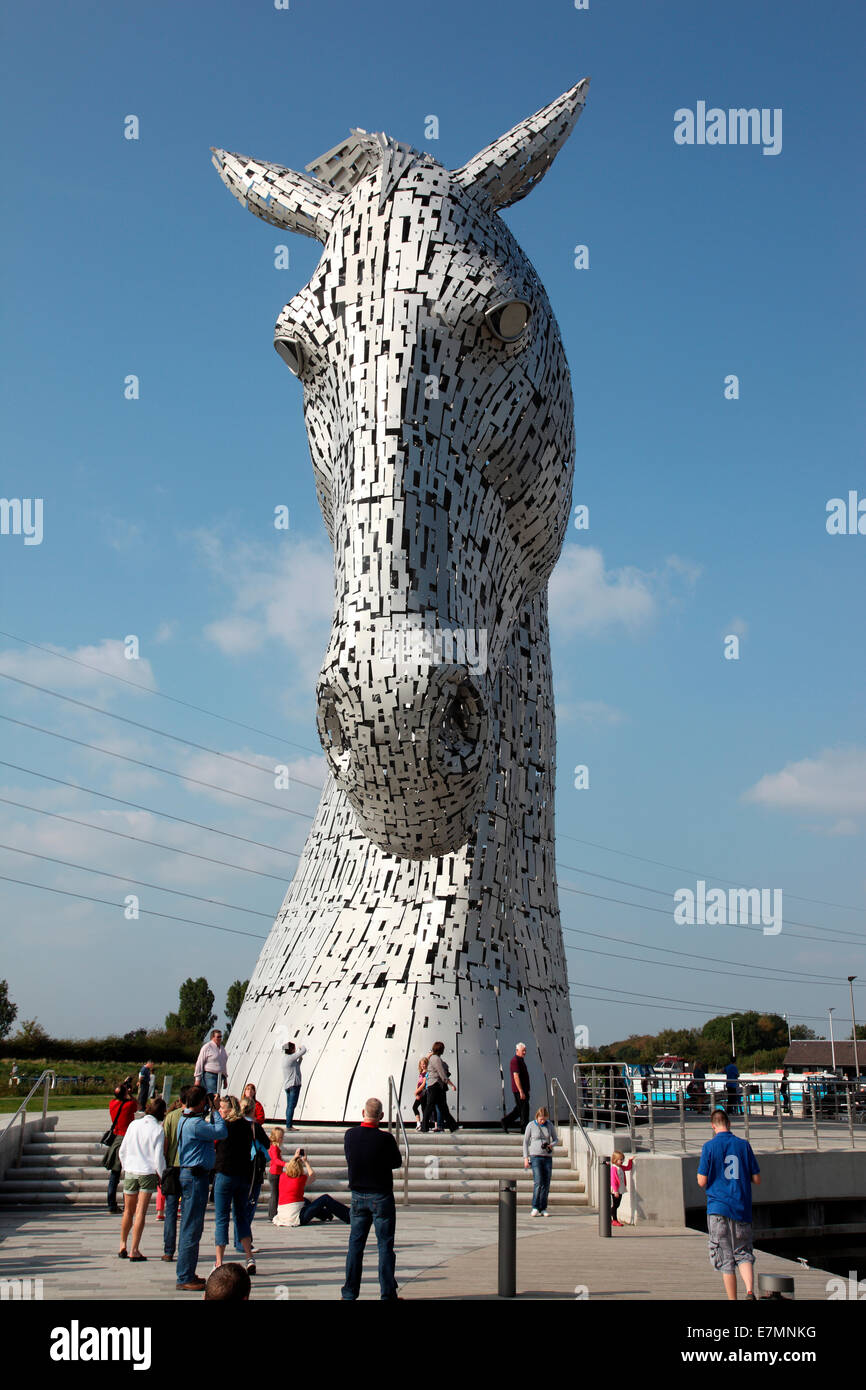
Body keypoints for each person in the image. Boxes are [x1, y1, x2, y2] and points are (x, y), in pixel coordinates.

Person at [341, 1098, 402, 1301]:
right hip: (381, 1196)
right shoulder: (385, 1139)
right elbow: (396, 1162)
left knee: (355, 1246)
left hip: (357, 1197)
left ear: (362, 1113)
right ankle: (387, 1295)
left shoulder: (350, 1136)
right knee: (384, 1246)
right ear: (382, 1117)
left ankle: (349, 1294)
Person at [697, 1108, 761, 1300]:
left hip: (718, 1208)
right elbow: (757, 1179)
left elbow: (701, 1181)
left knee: (725, 1259)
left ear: (712, 1126)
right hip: (740, 1207)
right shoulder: (743, 1145)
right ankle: (750, 1291)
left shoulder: (709, 1147)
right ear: (729, 1123)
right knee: (743, 1253)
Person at [174, 1084, 228, 1292]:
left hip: (190, 1174)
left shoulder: (183, 1119)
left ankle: (186, 1271)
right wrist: (215, 1110)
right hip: (196, 1177)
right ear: (200, 1103)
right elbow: (221, 1132)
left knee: (190, 1225)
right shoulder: (195, 1124)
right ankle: (185, 1275)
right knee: (192, 1227)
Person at [118, 1097, 166, 1260]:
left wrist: (126, 1166)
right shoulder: (158, 1130)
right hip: (147, 1171)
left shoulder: (134, 1124)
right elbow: (158, 1156)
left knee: (128, 1211)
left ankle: (122, 1244)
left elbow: (122, 1150)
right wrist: (162, 1173)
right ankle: (134, 1249)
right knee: (140, 1212)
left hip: (131, 1169)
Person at [273, 1146, 350, 1226]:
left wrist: (295, 1158)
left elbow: (291, 1165)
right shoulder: (300, 1179)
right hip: (297, 1218)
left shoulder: (282, 1176)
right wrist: (306, 1162)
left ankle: (325, 1215)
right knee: (325, 1198)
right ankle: (348, 1216)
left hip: (282, 1216)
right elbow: (312, 1176)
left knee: (305, 1200)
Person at [232, 1095, 270, 1255]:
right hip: (252, 1172)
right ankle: (243, 1242)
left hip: (235, 1170)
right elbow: (267, 1144)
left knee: (238, 1207)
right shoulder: (255, 1127)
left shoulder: (233, 1125)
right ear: (253, 1110)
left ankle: (238, 1240)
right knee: (248, 1208)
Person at [159, 1087, 191, 1262]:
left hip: (172, 1166)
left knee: (170, 1211)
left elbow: (165, 1143)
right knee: (187, 1211)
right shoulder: (194, 1117)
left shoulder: (170, 1117)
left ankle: (168, 1250)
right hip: (188, 1168)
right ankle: (184, 1249)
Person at [103, 1083, 137, 1213]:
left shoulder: (112, 1103)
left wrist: (123, 1091)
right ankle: (128, 1203)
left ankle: (111, 1204)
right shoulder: (129, 1105)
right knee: (129, 1174)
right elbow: (137, 1104)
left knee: (114, 1175)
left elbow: (118, 1097)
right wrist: (130, 1094)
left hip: (116, 1138)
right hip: (127, 1138)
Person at [523, 1106, 559, 1217]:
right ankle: (535, 1206)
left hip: (547, 1156)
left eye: (544, 1119)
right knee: (538, 1182)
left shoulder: (549, 1125)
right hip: (535, 1156)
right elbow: (525, 1142)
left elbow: (555, 1139)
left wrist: (550, 1145)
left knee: (546, 1183)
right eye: (540, 1119)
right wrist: (526, 1158)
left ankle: (543, 1207)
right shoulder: (531, 1125)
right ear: (537, 1117)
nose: (542, 1121)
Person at [420, 1041, 458, 1133]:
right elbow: (442, 1073)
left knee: (442, 1108)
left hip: (435, 1085)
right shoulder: (436, 1059)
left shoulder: (434, 1058)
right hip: (435, 1085)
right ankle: (424, 1127)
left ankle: (453, 1126)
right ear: (440, 1049)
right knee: (432, 1106)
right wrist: (451, 1084)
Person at [502, 1043, 530, 1132]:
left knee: (519, 1109)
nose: (525, 1052)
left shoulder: (521, 1060)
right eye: (523, 1051)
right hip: (519, 1090)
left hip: (523, 1089)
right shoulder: (515, 1061)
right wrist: (521, 1091)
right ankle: (524, 1127)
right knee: (524, 1109)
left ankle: (505, 1121)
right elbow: (516, 1076)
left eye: (525, 1050)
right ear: (517, 1051)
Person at [194, 1029, 228, 1097]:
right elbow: (200, 1063)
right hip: (210, 1075)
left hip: (220, 1076)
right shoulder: (207, 1047)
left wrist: (225, 1078)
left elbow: (223, 1064)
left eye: (221, 1036)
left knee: (217, 1095)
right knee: (212, 1095)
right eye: (218, 1037)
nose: (220, 1038)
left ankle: (210, 1107)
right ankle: (211, 1107)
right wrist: (197, 1079)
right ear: (212, 1037)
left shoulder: (222, 1048)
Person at [281, 1041, 307, 1130]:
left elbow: (295, 1067)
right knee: (292, 1106)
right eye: (294, 1048)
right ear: (291, 1049)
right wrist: (301, 1045)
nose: (295, 1050)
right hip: (294, 1085)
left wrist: (300, 1060)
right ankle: (289, 1125)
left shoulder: (285, 1059)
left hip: (288, 1085)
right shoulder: (291, 1057)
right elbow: (304, 1050)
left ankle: (288, 1124)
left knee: (289, 1106)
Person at [609, 1149, 634, 1227]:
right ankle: (614, 1220)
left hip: (620, 1188)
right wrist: (615, 1191)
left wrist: (630, 1160)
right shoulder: (614, 1168)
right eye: (621, 1160)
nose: (622, 1161)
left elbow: (628, 1168)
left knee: (617, 1204)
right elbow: (613, 1181)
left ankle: (609, 1216)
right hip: (616, 1189)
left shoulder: (620, 1167)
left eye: (623, 1159)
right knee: (616, 1205)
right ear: (615, 1160)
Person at [268, 1126, 286, 1219]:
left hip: (276, 1172)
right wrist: (285, 1164)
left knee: (275, 1194)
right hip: (275, 1173)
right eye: (281, 1137)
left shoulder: (274, 1147)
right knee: (274, 1194)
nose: (282, 1139)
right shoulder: (274, 1148)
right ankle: (272, 1214)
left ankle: (273, 1213)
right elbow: (275, 1160)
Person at [412, 1057, 429, 1130]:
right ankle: (418, 1123)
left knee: (423, 1108)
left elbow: (424, 1084)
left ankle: (424, 1124)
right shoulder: (421, 1072)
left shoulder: (426, 1073)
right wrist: (416, 1091)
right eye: (422, 1064)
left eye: (424, 1064)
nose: (423, 1065)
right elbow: (418, 1082)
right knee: (415, 1107)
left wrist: (417, 1091)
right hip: (419, 1092)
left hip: (423, 1092)